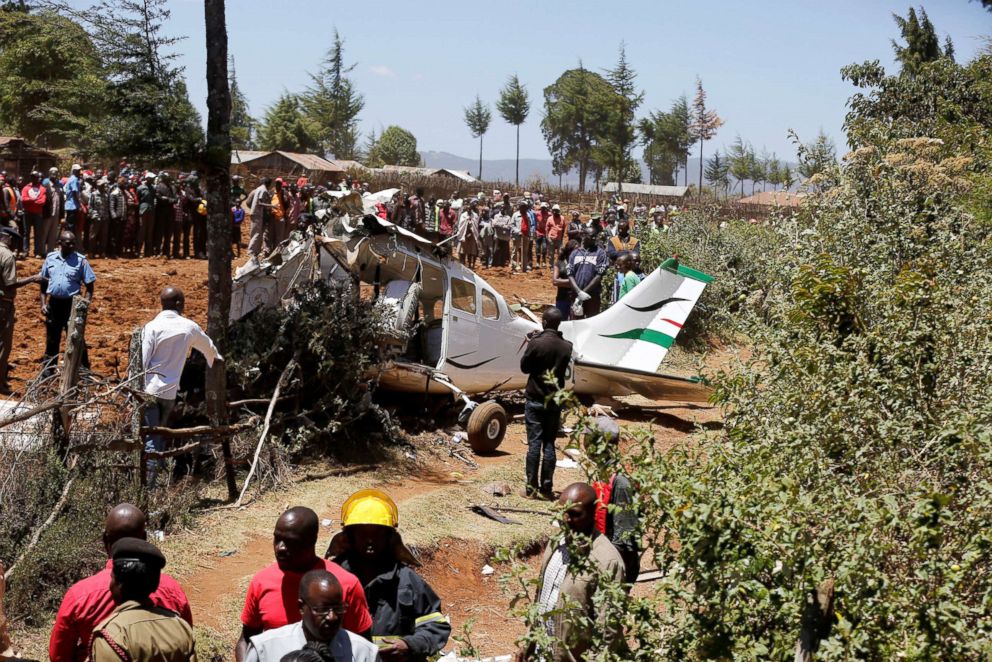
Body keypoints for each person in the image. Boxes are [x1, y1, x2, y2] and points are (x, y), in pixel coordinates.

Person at [50, 504, 193, 662]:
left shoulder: (80, 594)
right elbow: (185, 641)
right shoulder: (171, 589)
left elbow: (59, 656)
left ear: (105, 540)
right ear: (145, 538)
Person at [325, 490, 450, 661]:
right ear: (349, 536)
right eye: (362, 533)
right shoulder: (331, 579)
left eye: (377, 533)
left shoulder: (406, 580)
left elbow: (435, 626)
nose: (370, 540)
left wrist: (410, 645)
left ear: (390, 538)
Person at [237, 507, 373, 662]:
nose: (280, 548)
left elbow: (364, 644)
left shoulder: (345, 584)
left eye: (290, 541)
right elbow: (246, 639)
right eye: (277, 539)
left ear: (312, 541)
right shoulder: (261, 582)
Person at [524, 483, 626, 662]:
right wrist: (528, 646)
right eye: (563, 511)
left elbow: (608, 631)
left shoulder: (607, 561)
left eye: (575, 514)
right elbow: (541, 599)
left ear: (594, 511)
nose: (566, 519)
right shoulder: (556, 542)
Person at [141, 286, 223, 487]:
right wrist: (217, 359)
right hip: (169, 393)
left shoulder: (151, 327)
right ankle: (154, 484)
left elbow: (142, 361)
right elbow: (209, 348)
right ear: (178, 303)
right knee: (159, 436)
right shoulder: (189, 327)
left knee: (151, 437)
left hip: (148, 391)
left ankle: (149, 486)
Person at [88, 538, 196, 662]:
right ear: (155, 584)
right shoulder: (180, 627)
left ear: (119, 583)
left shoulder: (113, 635)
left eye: (112, 578)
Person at [243, 570, 379, 662]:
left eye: (338, 608)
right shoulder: (265, 649)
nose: (332, 617)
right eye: (322, 609)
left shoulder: (365, 653)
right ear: (301, 608)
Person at [519, 308, 573, 499]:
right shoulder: (567, 347)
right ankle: (546, 488)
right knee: (549, 444)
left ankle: (531, 488)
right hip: (554, 402)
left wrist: (532, 342)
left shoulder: (536, 343)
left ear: (544, 322)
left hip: (535, 399)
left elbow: (524, 368)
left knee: (534, 444)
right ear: (559, 324)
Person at [587, 417, 641, 583]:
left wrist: (606, 568)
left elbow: (624, 540)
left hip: (612, 566)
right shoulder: (601, 473)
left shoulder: (621, 482)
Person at [39, 231, 95, 373]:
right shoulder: (50, 259)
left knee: (76, 338)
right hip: (54, 304)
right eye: (68, 243)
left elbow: (90, 286)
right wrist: (43, 303)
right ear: (60, 243)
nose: (71, 245)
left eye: (73, 243)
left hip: (72, 305)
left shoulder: (81, 261)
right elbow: (43, 283)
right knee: (52, 339)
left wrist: (84, 304)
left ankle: (83, 370)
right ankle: (48, 372)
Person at [0, 227, 39, 394]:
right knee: (3, 345)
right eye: (14, 240)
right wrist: (33, 278)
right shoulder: (7, 256)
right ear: (7, 238)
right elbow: (10, 284)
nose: (15, 243)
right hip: (3, 304)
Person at [566, 232, 608, 319]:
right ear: (583, 236)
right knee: (576, 321)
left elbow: (598, 276)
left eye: (595, 236)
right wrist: (579, 292)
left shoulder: (600, 253)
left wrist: (583, 292)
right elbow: (570, 274)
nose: (594, 238)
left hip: (592, 296)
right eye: (591, 236)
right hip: (576, 296)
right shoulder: (575, 253)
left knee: (592, 321)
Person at [20, 171, 46, 258]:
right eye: (34, 177)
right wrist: (34, 200)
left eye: (36, 177)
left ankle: (37, 252)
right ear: (31, 178)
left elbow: (42, 201)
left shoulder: (42, 188)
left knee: (38, 234)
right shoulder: (26, 188)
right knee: (26, 233)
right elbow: (23, 199)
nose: (36, 179)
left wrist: (30, 200)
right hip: (27, 213)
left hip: (38, 214)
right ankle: (25, 251)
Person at [552, 241, 578, 321]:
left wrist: (562, 282)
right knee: (561, 323)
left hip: (575, 299)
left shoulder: (578, 263)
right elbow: (555, 281)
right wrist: (572, 282)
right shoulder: (559, 263)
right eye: (575, 250)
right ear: (569, 250)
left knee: (575, 323)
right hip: (562, 298)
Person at [247, 178, 274, 260]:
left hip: (256, 213)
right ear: (268, 184)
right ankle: (251, 252)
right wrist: (271, 206)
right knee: (256, 233)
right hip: (257, 214)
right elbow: (259, 202)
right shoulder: (264, 190)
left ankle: (255, 251)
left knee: (256, 233)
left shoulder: (258, 189)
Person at [42, 167, 63, 255]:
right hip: (48, 213)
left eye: (56, 173)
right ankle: (41, 251)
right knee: (44, 233)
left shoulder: (59, 185)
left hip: (57, 213)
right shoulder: (45, 184)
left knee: (53, 234)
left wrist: (62, 215)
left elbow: (61, 201)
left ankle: (50, 252)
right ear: (49, 174)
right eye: (52, 173)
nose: (54, 175)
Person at [137, 173, 157, 257]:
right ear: (147, 178)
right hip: (143, 210)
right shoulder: (140, 188)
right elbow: (137, 199)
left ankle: (147, 252)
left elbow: (154, 197)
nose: (153, 180)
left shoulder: (153, 188)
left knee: (149, 231)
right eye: (151, 178)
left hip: (151, 210)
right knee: (142, 231)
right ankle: (138, 251)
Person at [63, 165, 82, 236]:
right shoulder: (74, 179)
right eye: (77, 170)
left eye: (79, 170)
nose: (79, 172)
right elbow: (75, 192)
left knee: (69, 224)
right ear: (73, 171)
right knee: (71, 225)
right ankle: (70, 240)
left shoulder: (71, 178)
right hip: (73, 205)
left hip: (69, 205)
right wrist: (79, 204)